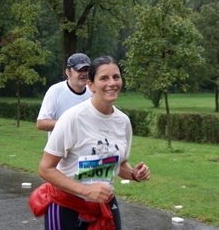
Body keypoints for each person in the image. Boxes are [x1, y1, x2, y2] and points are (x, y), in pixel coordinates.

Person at [35, 55, 151, 230]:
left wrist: (135, 174)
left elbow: (118, 164)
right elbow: (45, 168)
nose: (112, 83)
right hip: (67, 205)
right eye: (103, 78)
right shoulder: (72, 118)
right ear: (91, 85)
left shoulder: (123, 121)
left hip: (104, 204)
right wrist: (86, 190)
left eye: (116, 77)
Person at [36, 53, 92, 137]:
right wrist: (71, 124)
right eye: (79, 70)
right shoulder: (56, 91)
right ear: (67, 72)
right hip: (61, 148)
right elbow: (41, 123)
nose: (84, 73)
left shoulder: (93, 91)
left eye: (86, 70)